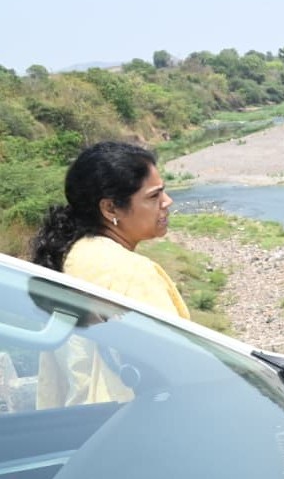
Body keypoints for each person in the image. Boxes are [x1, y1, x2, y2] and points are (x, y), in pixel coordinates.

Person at [29, 141, 189, 408]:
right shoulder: (128, 271)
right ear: (110, 209)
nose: (167, 202)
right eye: (153, 196)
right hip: (130, 425)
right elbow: (180, 367)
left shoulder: (71, 255)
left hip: (85, 424)